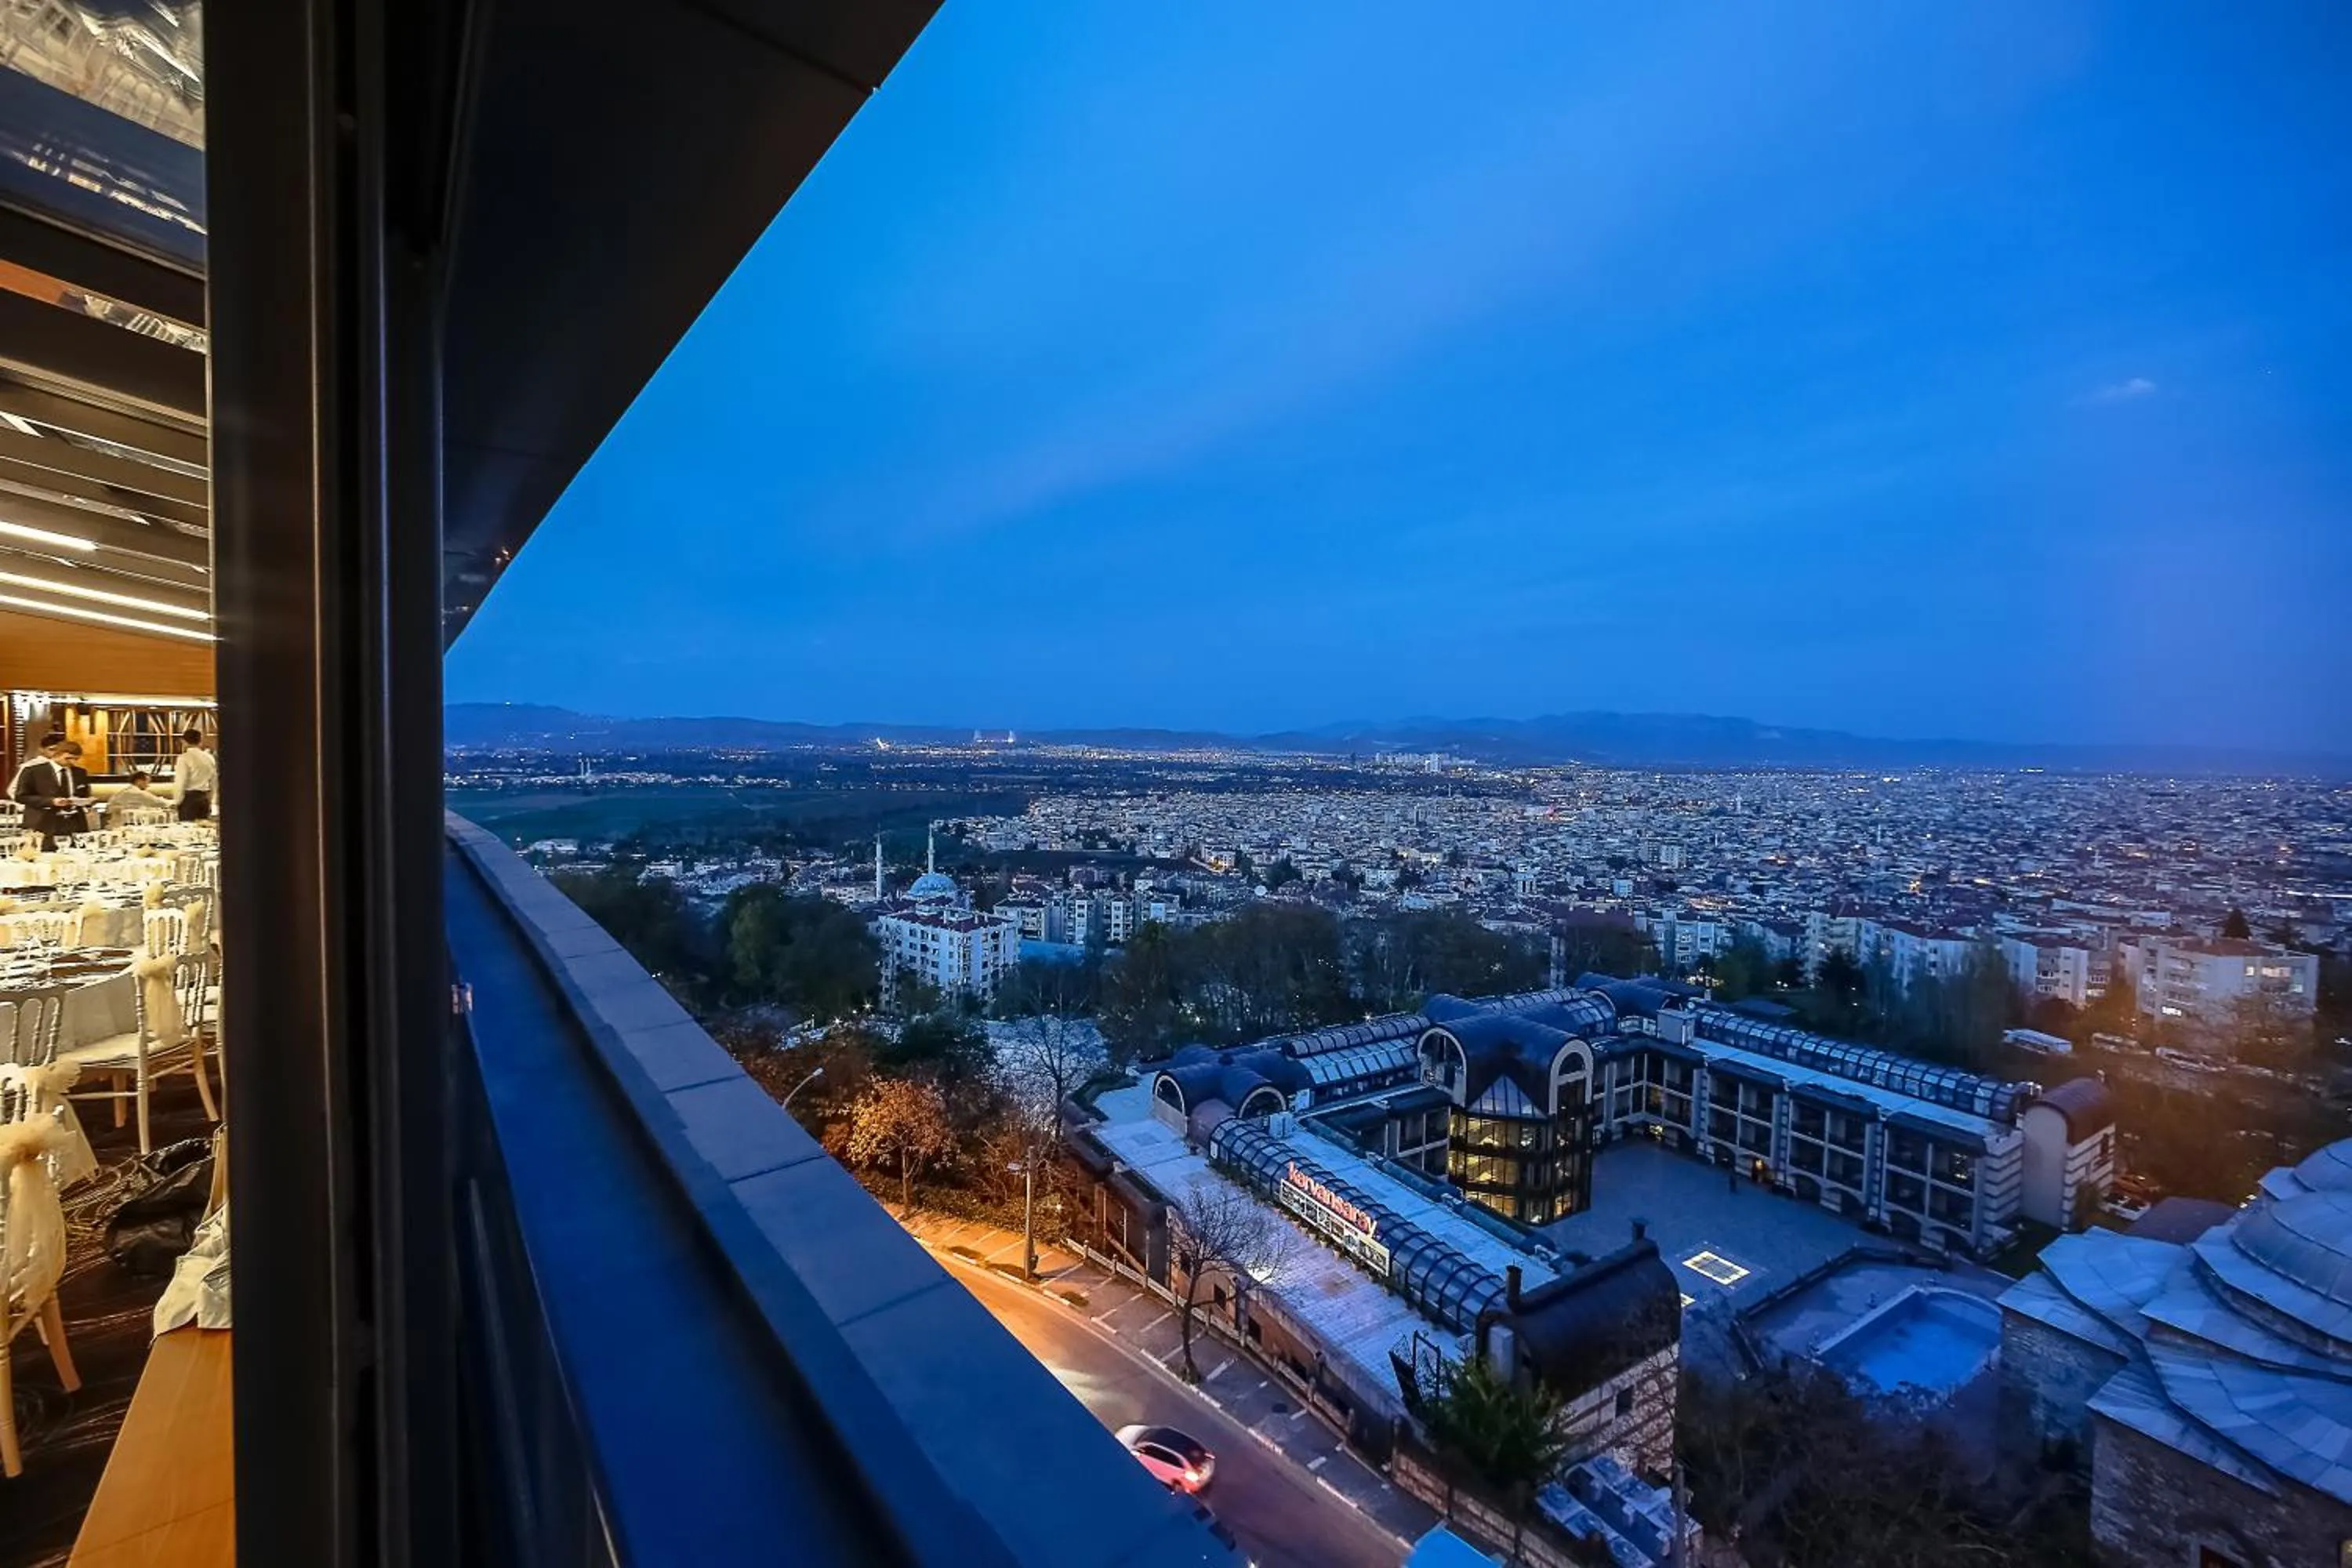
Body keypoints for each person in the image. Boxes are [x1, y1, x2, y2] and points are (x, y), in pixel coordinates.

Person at [9, 733, 91, 848]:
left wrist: (86, 802)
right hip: (43, 824)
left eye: (76, 759)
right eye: (68, 758)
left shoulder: (80, 773)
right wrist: (50, 801)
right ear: (57, 755)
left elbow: (84, 795)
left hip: (74, 824)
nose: (72, 762)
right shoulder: (33, 771)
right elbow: (21, 796)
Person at [172, 726, 216, 821]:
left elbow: (181, 781)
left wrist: (177, 802)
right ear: (200, 741)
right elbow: (214, 781)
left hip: (189, 799)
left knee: (187, 829)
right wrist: (211, 799)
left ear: (183, 741)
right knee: (203, 830)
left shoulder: (184, 758)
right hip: (205, 798)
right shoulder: (209, 757)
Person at [107, 771, 173, 818]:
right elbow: (158, 802)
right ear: (139, 781)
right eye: (147, 782)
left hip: (116, 820)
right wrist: (175, 803)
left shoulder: (125, 791)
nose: (148, 785)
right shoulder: (136, 792)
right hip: (122, 822)